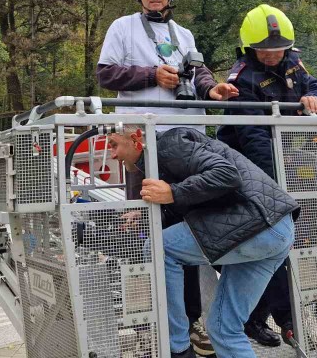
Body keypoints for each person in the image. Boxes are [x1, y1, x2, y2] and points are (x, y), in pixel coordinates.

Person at [97, 0, 237, 356]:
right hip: (143, 142)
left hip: (186, 143)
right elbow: (106, 74)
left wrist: (214, 90)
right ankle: (147, 322)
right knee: (143, 229)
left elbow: (199, 72)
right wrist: (150, 75)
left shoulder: (183, 34)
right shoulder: (122, 27)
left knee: (186, 232)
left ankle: (190, 323)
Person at [108, 125, 298, 358]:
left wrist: (173, 193)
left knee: (160, 248)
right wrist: (149, 214)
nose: (113, 155)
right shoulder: (162, 160)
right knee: (223, 329)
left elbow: (227, 175)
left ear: (136, 138)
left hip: (257, 224)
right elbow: (191, 208)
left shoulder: (168, 144)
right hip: (278, 229)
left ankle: (177, 347)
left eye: (114, 145)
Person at [217, 4, 317, 348]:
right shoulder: (243, 77)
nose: (271, 55)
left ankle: (265, 319)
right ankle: (271, 319)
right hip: (252, 168)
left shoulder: (293, 61)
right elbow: (253, 138)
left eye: (277, 49)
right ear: (250, 48)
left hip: (286, 163)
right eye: (264, 50)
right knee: (271, 245)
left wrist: (314, 98)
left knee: (284, 245)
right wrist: (278, 190)